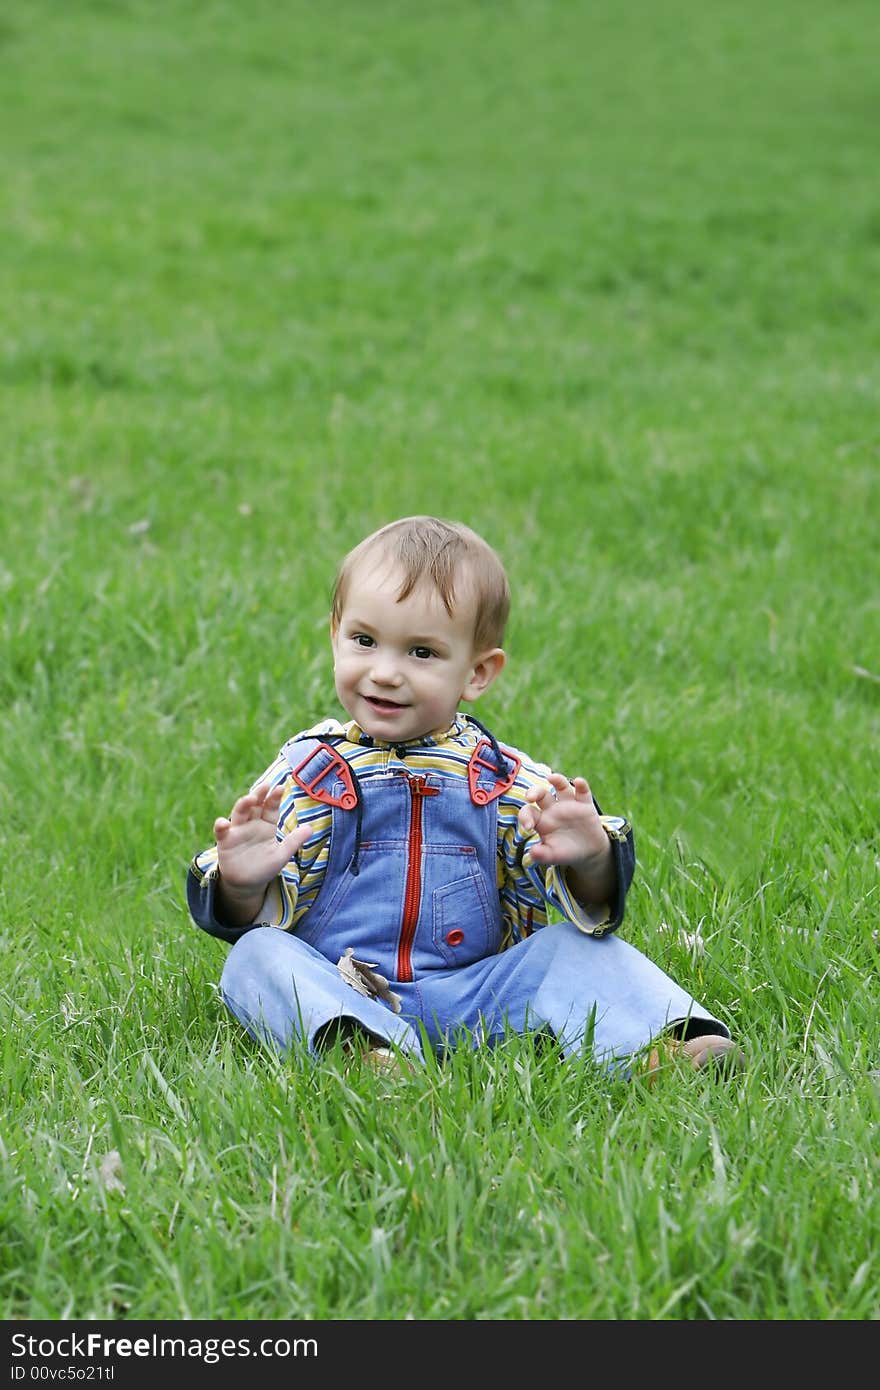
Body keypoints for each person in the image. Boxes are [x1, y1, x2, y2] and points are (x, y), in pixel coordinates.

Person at [187, 516, 741, 1079]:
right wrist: (242, 881)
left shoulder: (504, 780)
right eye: (364, 640)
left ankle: (657, 1050)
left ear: (477, 673)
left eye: (421, 653)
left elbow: (581, 901)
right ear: (335, 635)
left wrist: (590, 855)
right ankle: (362, 1059)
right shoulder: (308, 772)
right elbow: (247, 917)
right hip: (344, 992)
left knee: (572, 949)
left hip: (475, 994)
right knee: (254, 959)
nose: (385, 672)